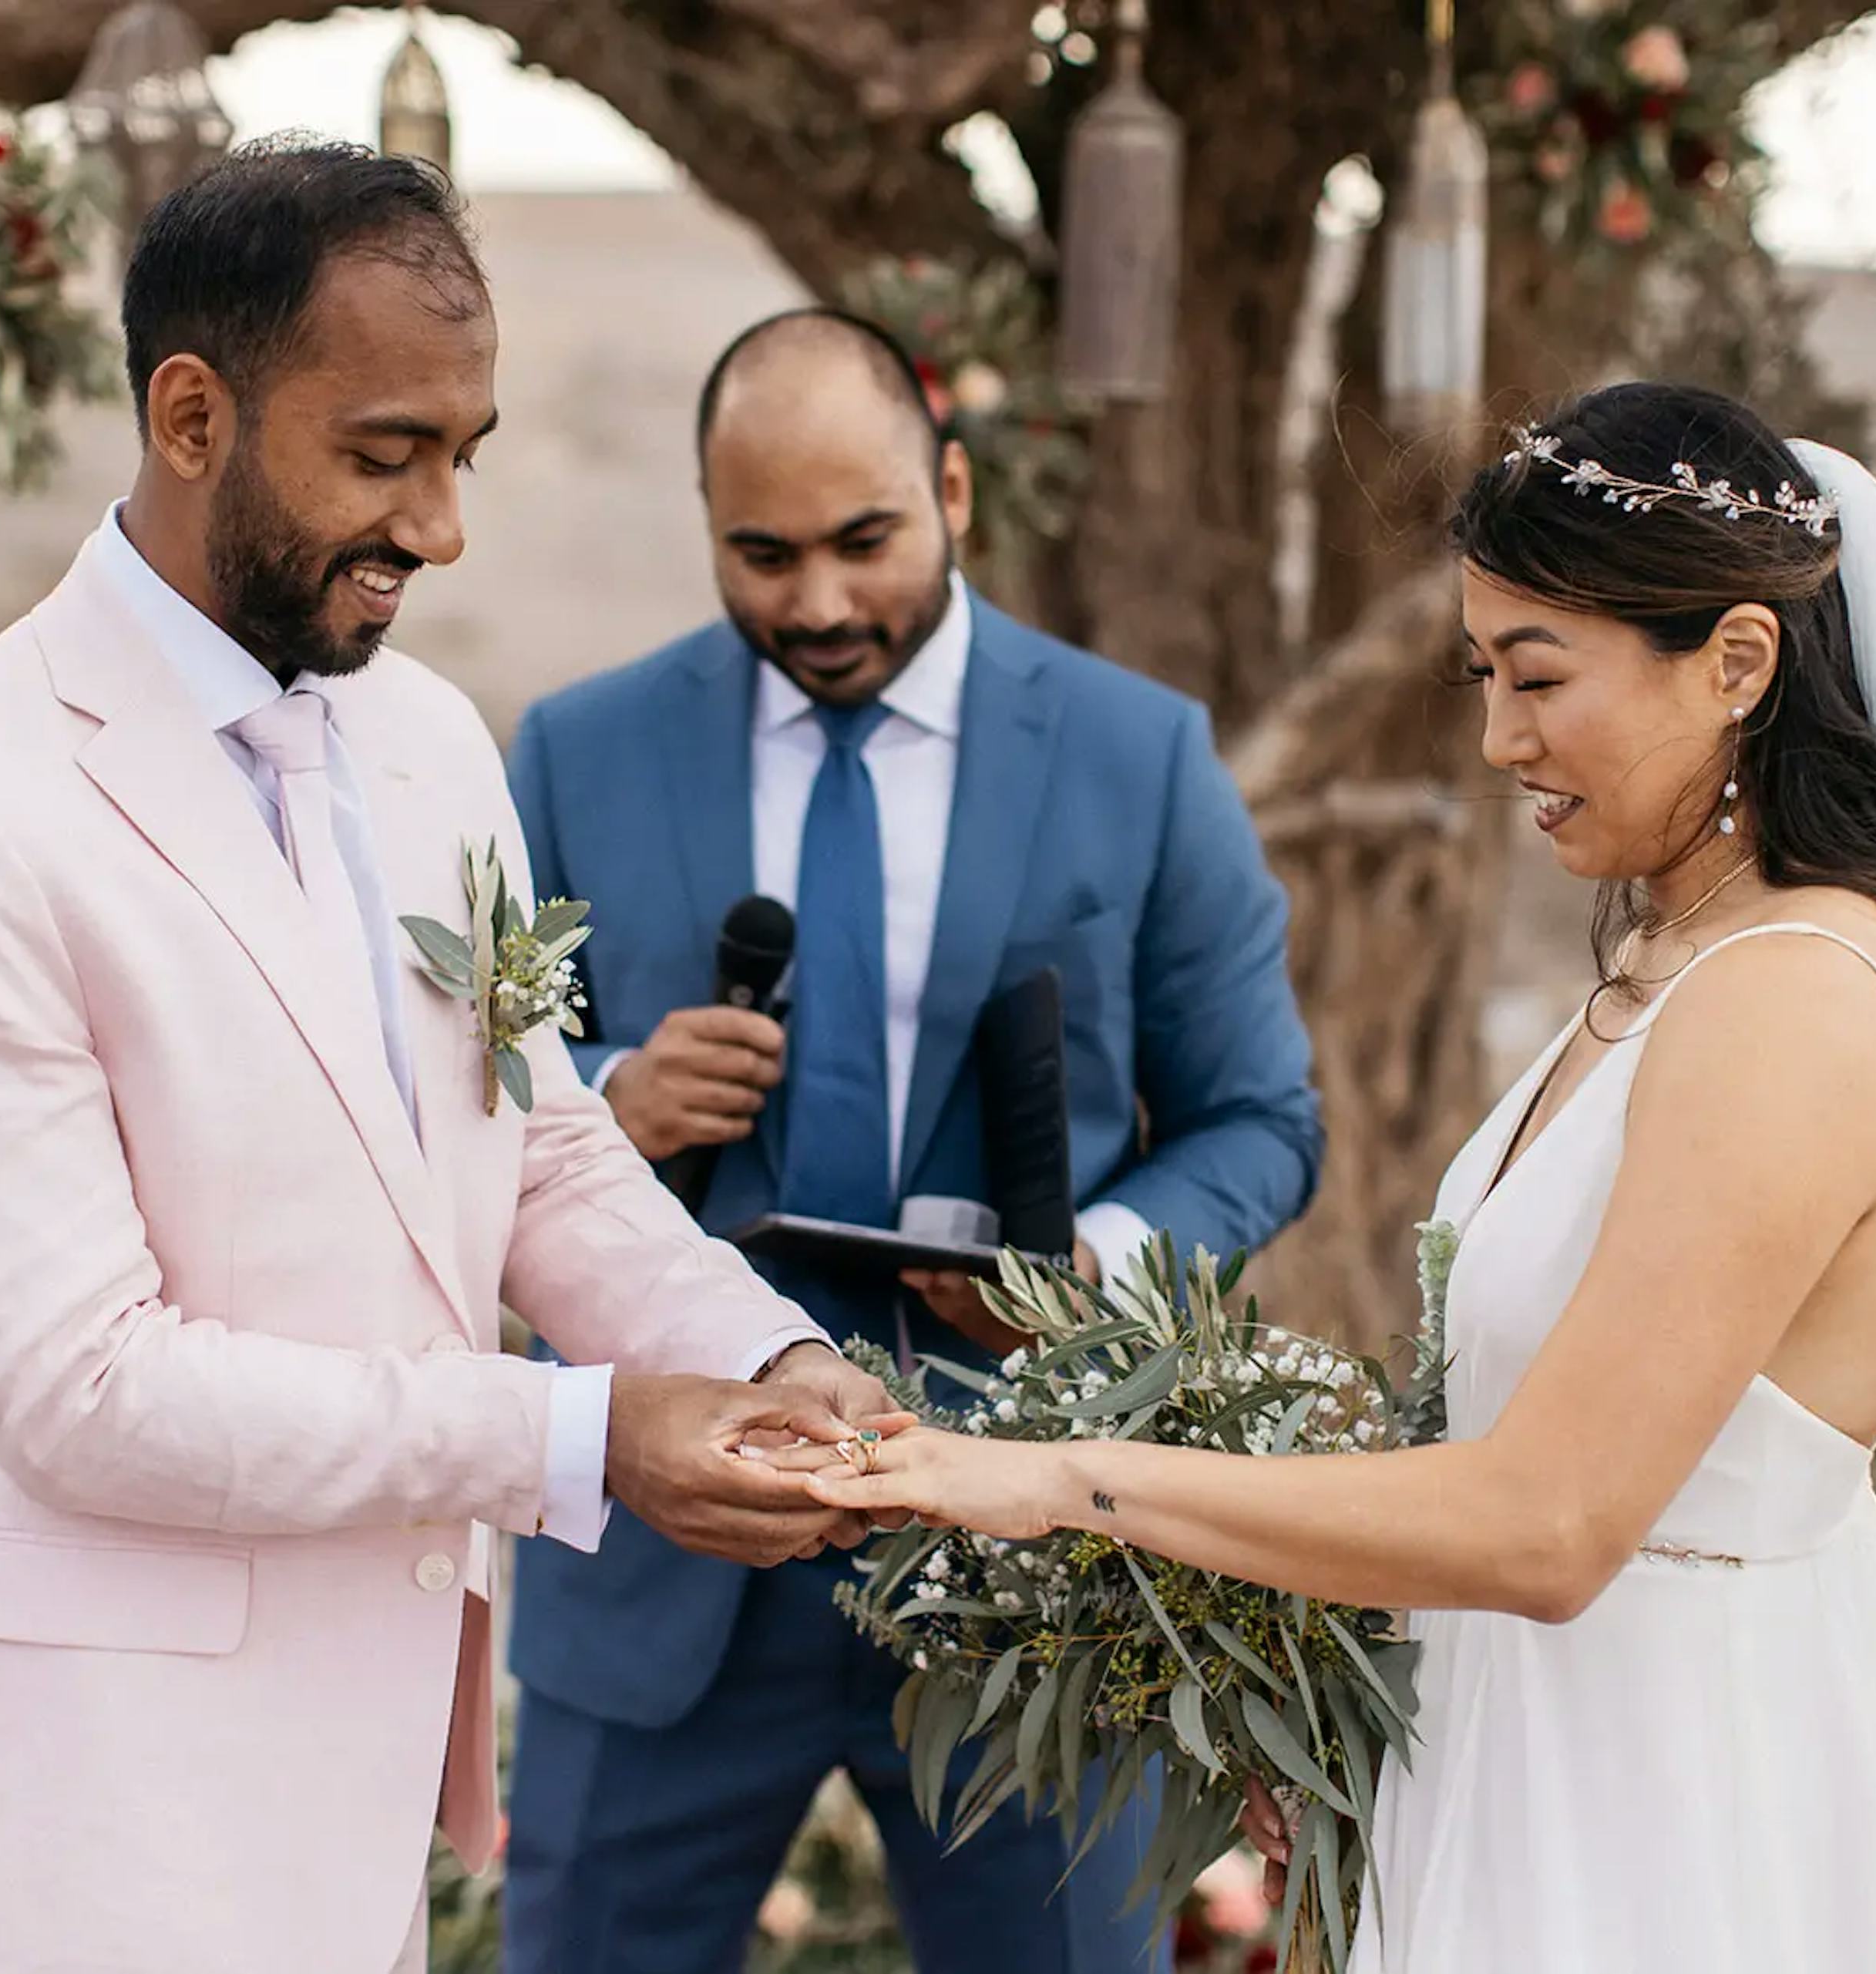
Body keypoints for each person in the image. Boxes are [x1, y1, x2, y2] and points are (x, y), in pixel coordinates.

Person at [800, 382, 1876, 1972]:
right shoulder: (1675, 953)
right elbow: (1520, 1420)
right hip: (1528, 1733)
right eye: (1484, 675)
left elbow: (1557, 1518)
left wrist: (1063, 1478)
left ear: (1735, 664)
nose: (1500, 738)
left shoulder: (1790, 1002)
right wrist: (1323, 1663)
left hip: (1674, 1798)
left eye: (1540, 678)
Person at [0, 144, 897, 1974]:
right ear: (192, 415)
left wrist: (754, 1350)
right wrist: (583, 1436)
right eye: (385, 455)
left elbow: (532, 1150)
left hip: (357, 1794)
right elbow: (85, 1391)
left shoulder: (432, 741)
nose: (444, 527)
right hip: (94, 1819)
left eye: (467, 454)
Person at [499, 308, 1323, 1972]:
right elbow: (463, 1096)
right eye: (764, 554)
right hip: (673, 1553)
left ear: (954, 487)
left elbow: (1259, 1120)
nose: (815, 604)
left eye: (865, 542)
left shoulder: (1139, 754)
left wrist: (1085, 1271)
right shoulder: (575, 751)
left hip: (1025, 1548)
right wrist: (608, 1101)